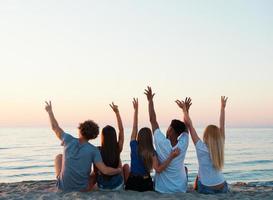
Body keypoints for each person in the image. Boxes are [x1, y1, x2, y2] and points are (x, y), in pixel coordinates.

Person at [45, 101, 121, 192]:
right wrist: (118, 170)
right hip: (82, 189)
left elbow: (55, 127)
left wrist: (49, 111)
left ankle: (60, 178)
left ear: (80, 129)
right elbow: (105, 171)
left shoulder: (68, 139)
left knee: (58, 157)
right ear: (93, 136)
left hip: (62, 187)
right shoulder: (94, 150)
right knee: (92, 173)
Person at [125, 98, 180, 192]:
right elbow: (158, 169)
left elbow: (134, 127)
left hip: (132, 183)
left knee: (127, 168)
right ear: (150, 138)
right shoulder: (152, 152)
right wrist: (171, 157)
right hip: (145, 184)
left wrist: (136, 110)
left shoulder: (133, 145)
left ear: (139, 136)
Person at [175, 96, 229, 194]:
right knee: (200, 173)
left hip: (207, 188)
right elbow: (222, 125)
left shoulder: (201, 147)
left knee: (199, 176)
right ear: (217, 136)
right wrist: (222, 108)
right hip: (222, 186)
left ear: (206, 136)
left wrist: (184, 111)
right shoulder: (220, 144)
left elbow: (189, 125)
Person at [144, 87, 189, 194]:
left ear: (171, 130)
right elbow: (187, 127)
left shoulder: (161, 142)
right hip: (180, 189)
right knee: (185, 168)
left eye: (169, 127)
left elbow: (152, 120)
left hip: (162, 190)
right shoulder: (183, 143)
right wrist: (185, 110)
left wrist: (150, 101)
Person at [95, 102, 126, 191]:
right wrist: (117, 113)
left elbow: (95, 171)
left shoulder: (98, 150)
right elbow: (121, 130)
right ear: (114, 136)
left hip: (102, 186)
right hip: (117, 184)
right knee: (123, 166)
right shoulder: (118, 148)